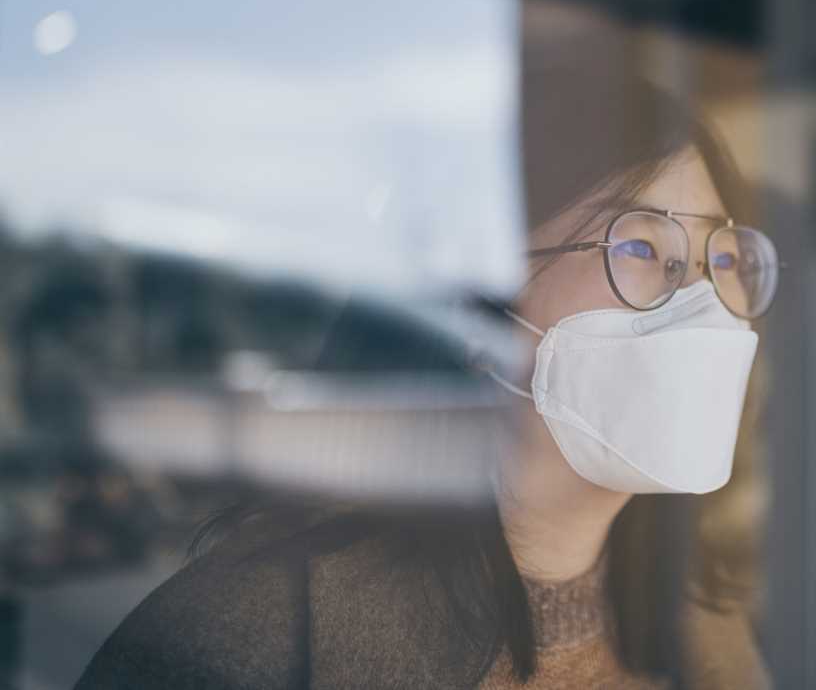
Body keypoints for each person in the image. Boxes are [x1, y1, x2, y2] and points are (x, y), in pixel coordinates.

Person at [75, 69, 778, 689]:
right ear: (478, 306)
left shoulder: (698, 615)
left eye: (722, 255)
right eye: (638, 244)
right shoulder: (239, 637)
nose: (701, 298)